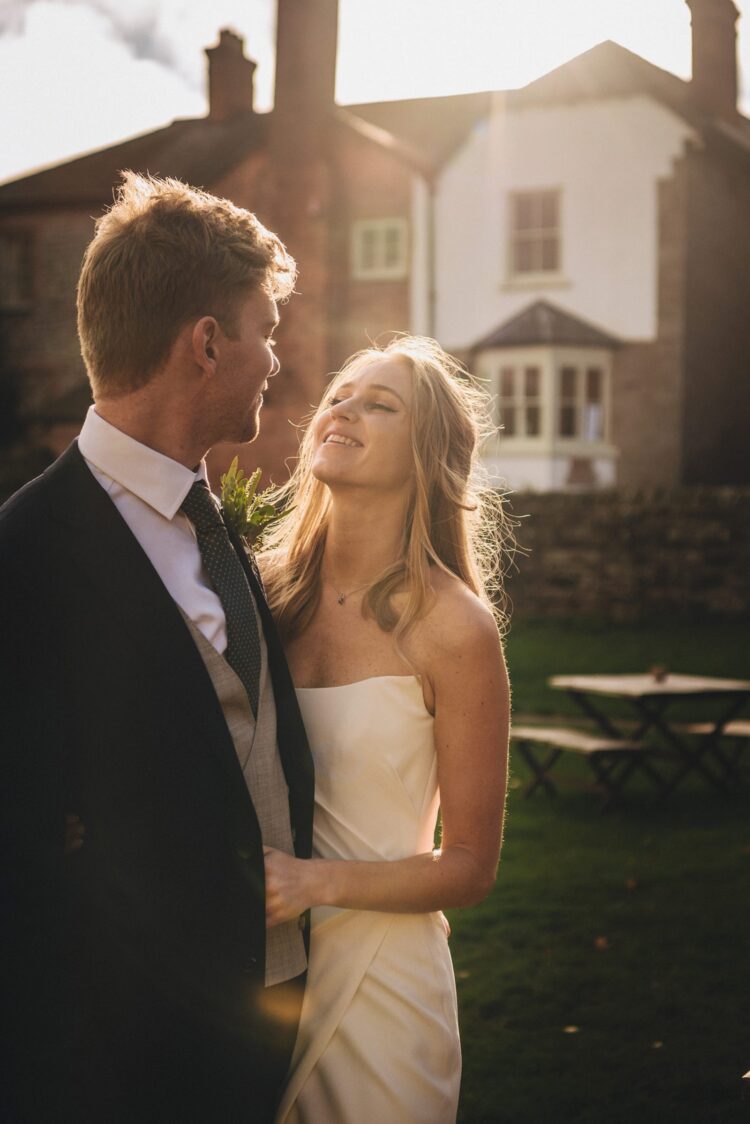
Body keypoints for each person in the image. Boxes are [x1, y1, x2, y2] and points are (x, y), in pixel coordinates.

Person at [0, 173, 314, 1123]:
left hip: (270, 1025)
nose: (275, 357)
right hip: (117, 1062)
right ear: (207, 343)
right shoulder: (25, 554)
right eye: (265, 328)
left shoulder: (217, 524)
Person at [258, 336, 511, 1123]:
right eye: (341, 394)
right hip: (257, 981)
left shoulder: (455, 629)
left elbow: (470, 866)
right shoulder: (259, 595)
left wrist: (313, 882)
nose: (345, 410)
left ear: (427, 453)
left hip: (385, 988)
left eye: (381, 404)